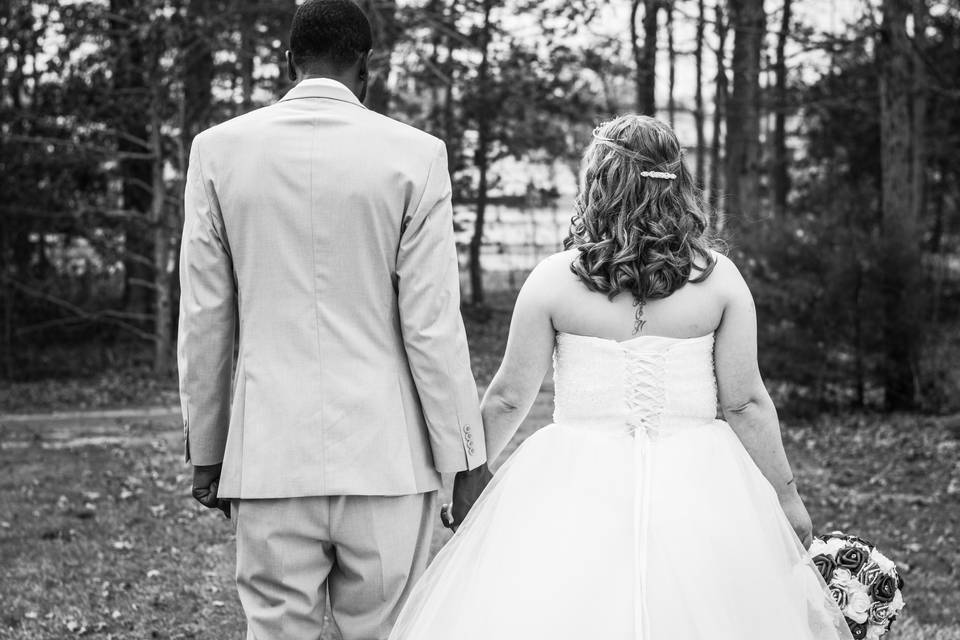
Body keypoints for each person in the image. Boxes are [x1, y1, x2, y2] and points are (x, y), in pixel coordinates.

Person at [388, 115, 854, 640]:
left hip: (573, 485)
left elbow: (508, 398)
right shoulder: (718, 280)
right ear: (678, 187)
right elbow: (745, 402)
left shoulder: (553, 281)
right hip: (702, 485)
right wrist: (785, 497)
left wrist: (469, 473)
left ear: (598, 184)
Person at [177, 1, 490, 638]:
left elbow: (205, 317)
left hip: (269, 458)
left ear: (290, 60)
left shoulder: (217, 152)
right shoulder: (416, 156)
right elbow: (431, 326)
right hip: (387, 459)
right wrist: (465, 460)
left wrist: (207, 452)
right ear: (365, 64)